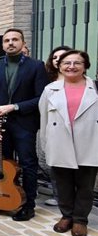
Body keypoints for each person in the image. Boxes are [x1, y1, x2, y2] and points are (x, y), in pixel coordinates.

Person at [0, 28, 49, 221]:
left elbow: (41, 98)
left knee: (28, 164)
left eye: (15, 40)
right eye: (6, 40)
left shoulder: (36, 66)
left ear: (22, 42)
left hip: (24, 124)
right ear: (2, 45)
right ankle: (1, 199)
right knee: (2, 163)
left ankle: (28, 204)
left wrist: (15, 106)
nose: (10, 43)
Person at [39, 50, 98, 236]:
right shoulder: (50, 89)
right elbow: (44, 119)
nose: (71, 66)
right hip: (59, 142)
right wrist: (46, 144)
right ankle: (66, 216)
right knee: (61, 183)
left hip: (88, 142)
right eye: (66, 63)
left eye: (77, 63)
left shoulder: (95, 88)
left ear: (85, 66)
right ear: (60, 66)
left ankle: (80, 220)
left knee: (85, 184)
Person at [41, 45, 71, 206]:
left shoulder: (84, 83)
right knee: (55, 165)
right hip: (54, 130)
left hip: (76, 131)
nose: (58, 60)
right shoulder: (47, 83)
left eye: (63, 56)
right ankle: (60, 197)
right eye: (55, 57)